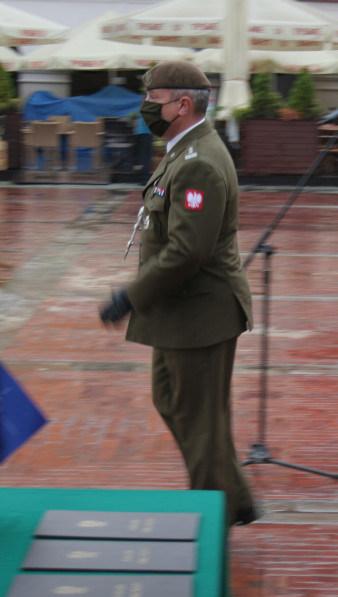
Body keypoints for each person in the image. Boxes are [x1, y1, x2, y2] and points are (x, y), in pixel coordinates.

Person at [98, 61, 258, 526]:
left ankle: (211, 517)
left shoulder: (200, 162)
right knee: (173, 402)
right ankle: (234, 499)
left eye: (153, 99)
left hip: (201, 313)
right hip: (181, 311)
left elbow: (189, 251)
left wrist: (131, 296)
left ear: (182, 104)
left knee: (201, 422)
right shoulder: (182, 150)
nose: (145, 108)